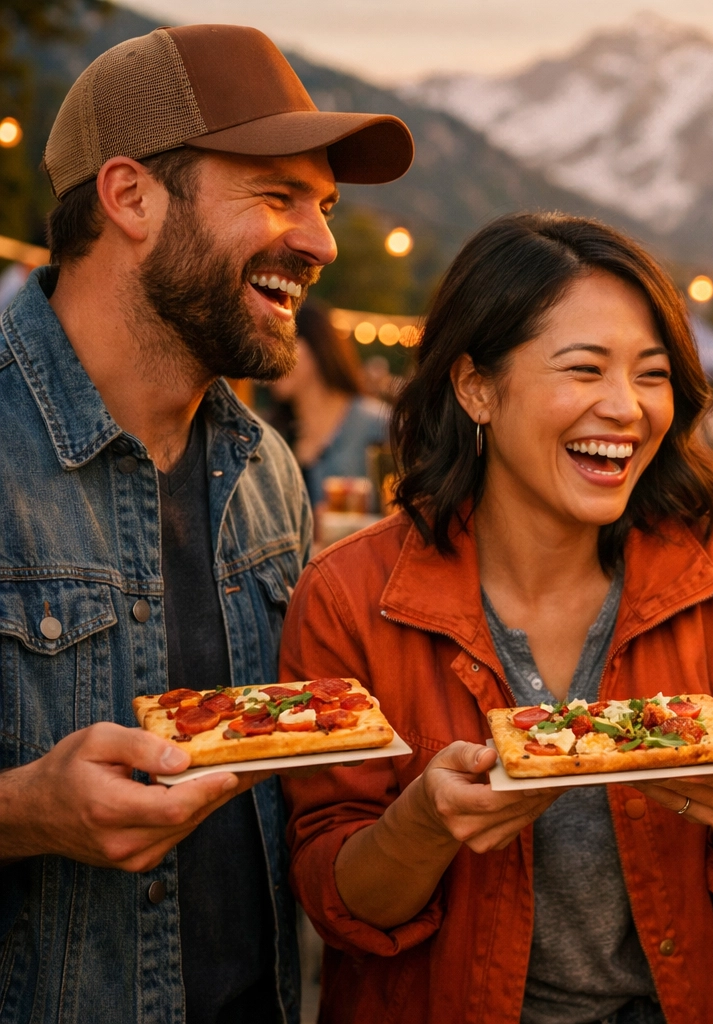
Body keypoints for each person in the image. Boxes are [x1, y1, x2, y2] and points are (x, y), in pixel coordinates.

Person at [280, 213, 713, 1023]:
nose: (627, 409)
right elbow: (336, 901)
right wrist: (424, 826)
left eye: (651, 374)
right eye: (584, 370)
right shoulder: (347, 594)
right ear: (475, 386)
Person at [0, 24, 412, 1024]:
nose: (321, 243)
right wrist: (23, 811)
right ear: (131, 196)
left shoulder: (269, 474)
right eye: (276, 196)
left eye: (322, 206)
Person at [268, 298, 391, 511]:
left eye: (280, 341)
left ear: (316, 345)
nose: (269, 356)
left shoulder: (378, 424)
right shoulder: (273, 435)